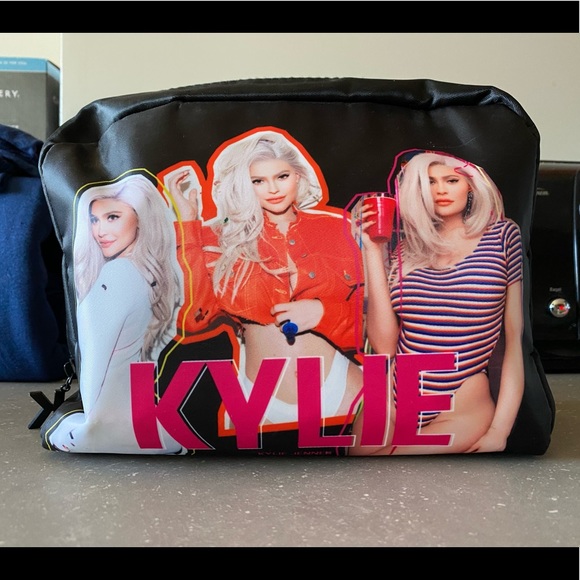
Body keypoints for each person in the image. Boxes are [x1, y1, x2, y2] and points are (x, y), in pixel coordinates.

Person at [165, 128, 365, 452]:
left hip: (345, 387)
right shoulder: (220, 239)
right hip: (258, 398)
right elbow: (192, 318)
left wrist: (324, 313)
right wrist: (188, 222)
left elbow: (380, 325)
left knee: (362, 478)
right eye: (257, 181)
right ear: (243, 185)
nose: (272, 189)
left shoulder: (339, 228)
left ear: (298, 175)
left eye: (282, 176)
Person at [350, 150, 525, 455]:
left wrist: (500, 429)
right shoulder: (406, 249)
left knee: (388, 469)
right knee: (357, 472)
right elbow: (384, 346)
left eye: (451, 180)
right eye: (429, 182)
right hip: (391, 397)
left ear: (470, 185)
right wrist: (371, 250)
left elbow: (515, 341)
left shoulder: (502, 235)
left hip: (461, 403)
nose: (440, 190)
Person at [44, 173, 184, 454]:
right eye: (94, 220)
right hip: (149, 422)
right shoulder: (149, 273)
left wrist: (88, 427)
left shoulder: (117, 274)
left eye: (112, 217)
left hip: (112, 425)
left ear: (141, 218)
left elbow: (97, 364)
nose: (99, 231)